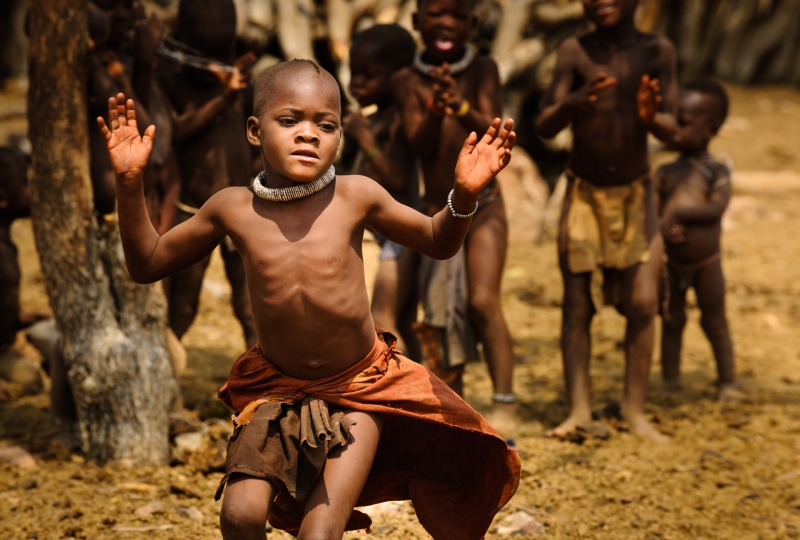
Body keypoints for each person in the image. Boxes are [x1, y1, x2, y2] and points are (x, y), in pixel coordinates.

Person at [97, 59, 519, 539]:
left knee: (320, 532)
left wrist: (462, 195)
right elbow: (147, 262)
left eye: (326, 124)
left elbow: (437, 241)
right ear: (255, 131)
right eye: (290, 120)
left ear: (340, 136)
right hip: (276, 390)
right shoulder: (232, 208)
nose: (308, 134)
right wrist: (129, 185)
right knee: (239, 516)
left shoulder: (356, 196)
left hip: (362, 389)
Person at [536, 0, 678, 440]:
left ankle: (634, 409)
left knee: (642, 302)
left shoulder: (657, 51)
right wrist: (573, 103)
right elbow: (543, 124)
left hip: (637, 193)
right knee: (578, 304)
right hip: (584, 194)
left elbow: (674, 128)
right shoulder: (574, 52)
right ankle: (579, 407)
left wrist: (652, 118)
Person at [392, 0, 517, 436]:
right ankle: (448, 400)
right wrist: (434, 107)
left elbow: (496, 132)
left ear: (473, 25)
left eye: (459, 16)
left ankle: (505, 402)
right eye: (437, 13)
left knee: (483, 301)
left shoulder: (483, 70)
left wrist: (460, 107)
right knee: (435, 310)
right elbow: (420, 145)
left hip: (485, 207)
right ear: (416, 22)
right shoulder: (405, 80)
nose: (447, 23)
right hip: (436, 209)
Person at [158, 0, 258, 347]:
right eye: (206, 53)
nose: (216, 63)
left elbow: (258, 140)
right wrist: (223, 100)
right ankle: (164, 384)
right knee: (182, 306)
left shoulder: (243, 85)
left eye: (223, 52)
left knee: (251, 308)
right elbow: (174, 131)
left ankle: (265, 389)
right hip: (192, 213)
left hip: (245, 210)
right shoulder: (171, 83)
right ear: (183, 42)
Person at [655, 79, 737, 401]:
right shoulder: (664, 171)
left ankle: (727, 382)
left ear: (712, 128)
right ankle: (670, 381)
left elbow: (717, 207)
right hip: (671, 263)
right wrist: (665, 227)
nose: (674, 129)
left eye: (684, 123)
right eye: (673, 119)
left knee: (715, 320)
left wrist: (677, 217)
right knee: (672, 320)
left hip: (707, 264)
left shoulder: (717, 170)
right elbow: (654, 214)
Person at [344, 24, 420, 360]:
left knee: (385, 320)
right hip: (377, 236)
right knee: (399, 320)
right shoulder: (373, 118)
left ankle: (400, 398)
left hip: (398, 237)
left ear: (397, 75)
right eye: (354, 73)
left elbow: (398, 177)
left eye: (368, 74)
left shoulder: (398, 121)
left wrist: (365, 139)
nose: (357, 82)